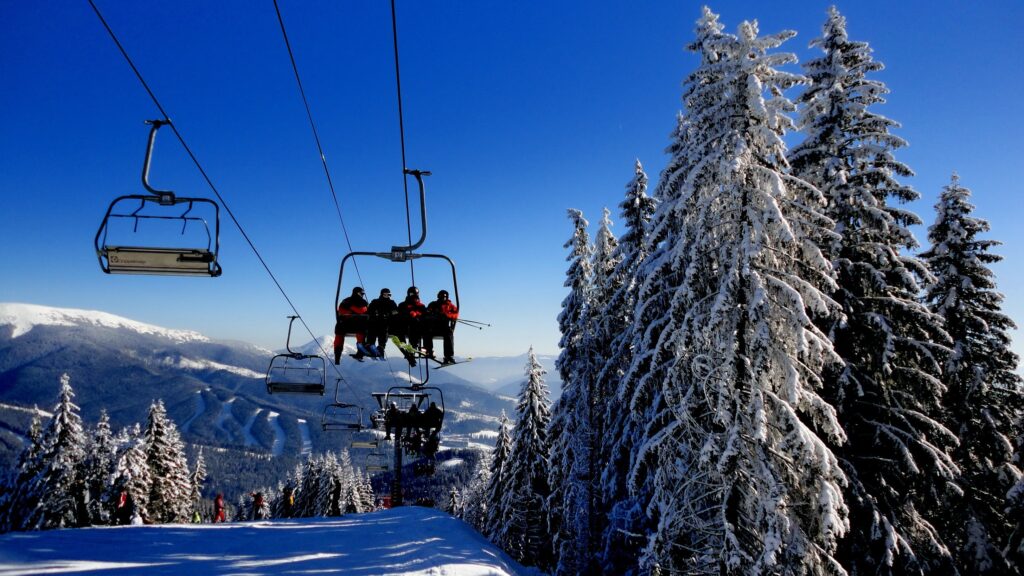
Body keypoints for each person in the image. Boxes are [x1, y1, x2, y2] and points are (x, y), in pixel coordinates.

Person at [335, 287, 369, 363]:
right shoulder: (362, 302)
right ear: (357, 293)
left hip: (345, 324)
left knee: (339, 334)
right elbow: (363, 311)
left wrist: (350, 310)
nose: (362, 295)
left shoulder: (346, 301)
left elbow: (340, 310)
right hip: (356, 325)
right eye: (361, 293)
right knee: (361, 331)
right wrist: (353, 310)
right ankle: (360, 353)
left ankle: (337, 356)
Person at [424, 290, 459, 364]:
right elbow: (427, 313)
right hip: (434, 326)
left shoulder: (450, 306)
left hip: (444, 327)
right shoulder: (433, 304)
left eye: (445, 297)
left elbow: (455, 314)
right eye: (442, 297)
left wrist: (447, 315)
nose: (443, 298)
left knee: (449, 334)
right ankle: (428, 351)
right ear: (438, 297)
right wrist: (433, 315)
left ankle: (448, 356)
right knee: (426, 332)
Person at [395, 287, 426, 367]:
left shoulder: (421, 306)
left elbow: (425, 315)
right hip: (404, 327)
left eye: (415, 294)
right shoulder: (402, 305)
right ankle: (409, 354)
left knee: (414, 331)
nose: (413, 296)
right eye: (412, 294)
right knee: (400, 336)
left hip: (415, 328)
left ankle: (411, 352)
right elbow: (399, 314)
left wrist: (416, 315)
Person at [367, 288, 398, 358]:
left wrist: (388, 314)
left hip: (386, 322)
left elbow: (396, 312)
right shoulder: (375, 302)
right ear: (382, 294)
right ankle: (371, 347)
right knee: (372, 331)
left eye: (389, 295)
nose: (388, 296)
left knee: (383, 332)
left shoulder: (391, 303)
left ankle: (381, 348)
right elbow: (369, 310)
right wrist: (375, 313)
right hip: (375, 322)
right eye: (386, 294)